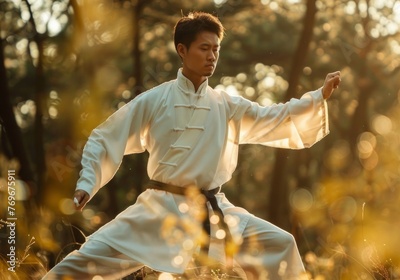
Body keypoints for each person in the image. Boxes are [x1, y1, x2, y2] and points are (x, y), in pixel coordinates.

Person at [43, 11, 341, 280]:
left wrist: (317, 97)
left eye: (216, 49)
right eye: (204, 48)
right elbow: (106, 136)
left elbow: (273, 116)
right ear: (182, 51)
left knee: (282, 245)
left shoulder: (226, 104)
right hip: (158, 212)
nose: (212, 56)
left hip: (214, 211)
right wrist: (86, 183)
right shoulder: (154, 99)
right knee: (82, 263)